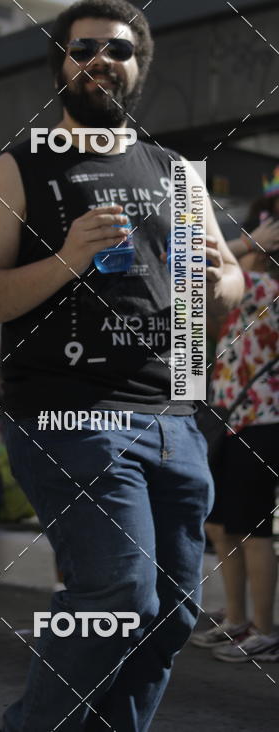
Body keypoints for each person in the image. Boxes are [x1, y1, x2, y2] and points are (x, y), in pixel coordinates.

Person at [0, 0, 244, 730]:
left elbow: (231, 285)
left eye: (118, 49)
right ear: (61, 65)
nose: (100, 61)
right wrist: (65, 260)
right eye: (83, 49)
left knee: (173, 614)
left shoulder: (176, 171)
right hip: (69, 413)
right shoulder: (18, 167)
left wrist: (218, 281)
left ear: (138, 68)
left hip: (174, 418)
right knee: (117, 591)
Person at [191, 191, 279, 662]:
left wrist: (245, 245)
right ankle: (238, 620)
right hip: (229, 421)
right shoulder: (246, 283)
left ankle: (265, 629)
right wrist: (250, 243)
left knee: (253, 529)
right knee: (222, 526)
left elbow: (198, 270)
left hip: (261, 423)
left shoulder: (266, 289)